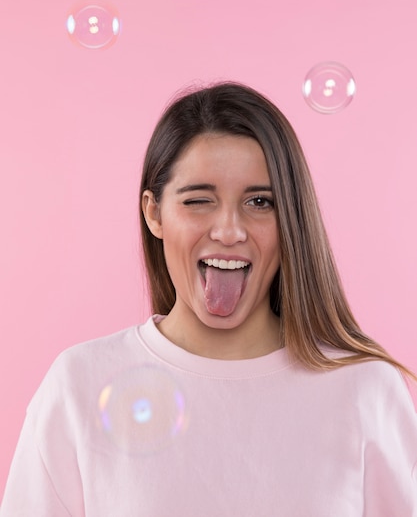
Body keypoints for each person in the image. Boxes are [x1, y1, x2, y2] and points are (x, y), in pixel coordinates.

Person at [1, 81, 417, 516]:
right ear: (154, 213)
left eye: (260, 202)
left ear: (291, 217)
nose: (229, 231)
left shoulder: (364, 391)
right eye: (199, 200)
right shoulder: (79, 383)